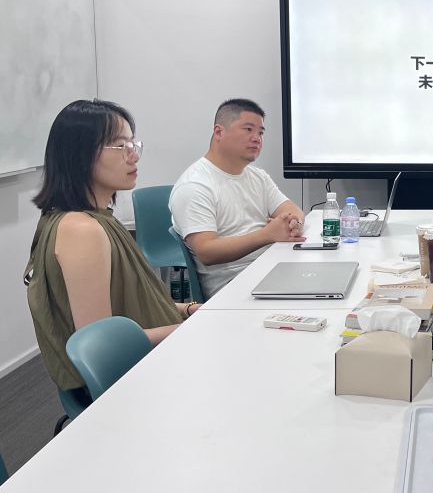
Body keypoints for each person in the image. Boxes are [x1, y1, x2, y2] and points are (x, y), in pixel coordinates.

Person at [25, 100, 197, 397]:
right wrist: (191, 328)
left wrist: (189, 309)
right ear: (80, 154)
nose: (134, 155)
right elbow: (105, 347)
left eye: (133, 144)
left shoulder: (97, 218)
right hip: (130, 384)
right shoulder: (83, 230)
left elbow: (128, 304)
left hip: (151, 362)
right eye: (120, 146)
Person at [170, 98, 305, 298]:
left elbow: (292, 210)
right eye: (248, 129)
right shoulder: (194, 186)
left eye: (260, 132)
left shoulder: (258, 176)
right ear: (219, 132)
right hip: (233, 285)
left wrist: (294, 223)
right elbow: (206, 251)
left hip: (271, 268)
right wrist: (267, 234)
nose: (257, 138)